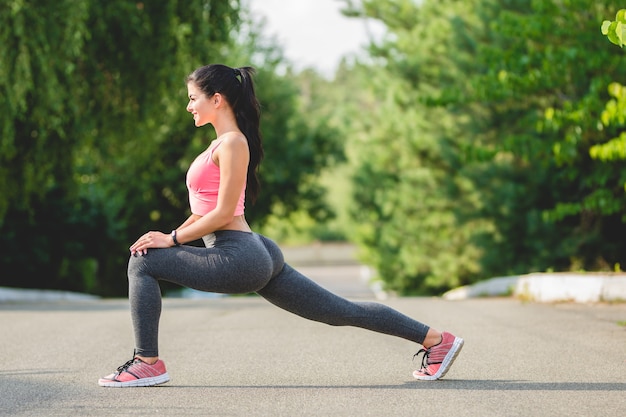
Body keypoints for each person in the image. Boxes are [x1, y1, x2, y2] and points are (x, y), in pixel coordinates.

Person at [98, 64, 463, 388]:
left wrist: (172, 239)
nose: (189, 106)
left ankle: (147, 363)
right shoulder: (219, 145)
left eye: (194, 98)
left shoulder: (233, 143)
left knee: (141, 262)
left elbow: (224, 212)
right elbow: (204, 210)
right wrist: (170, 237)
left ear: (217, 99)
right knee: (338, 311)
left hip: (239, 255)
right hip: (253, 251)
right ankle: (436, 340)